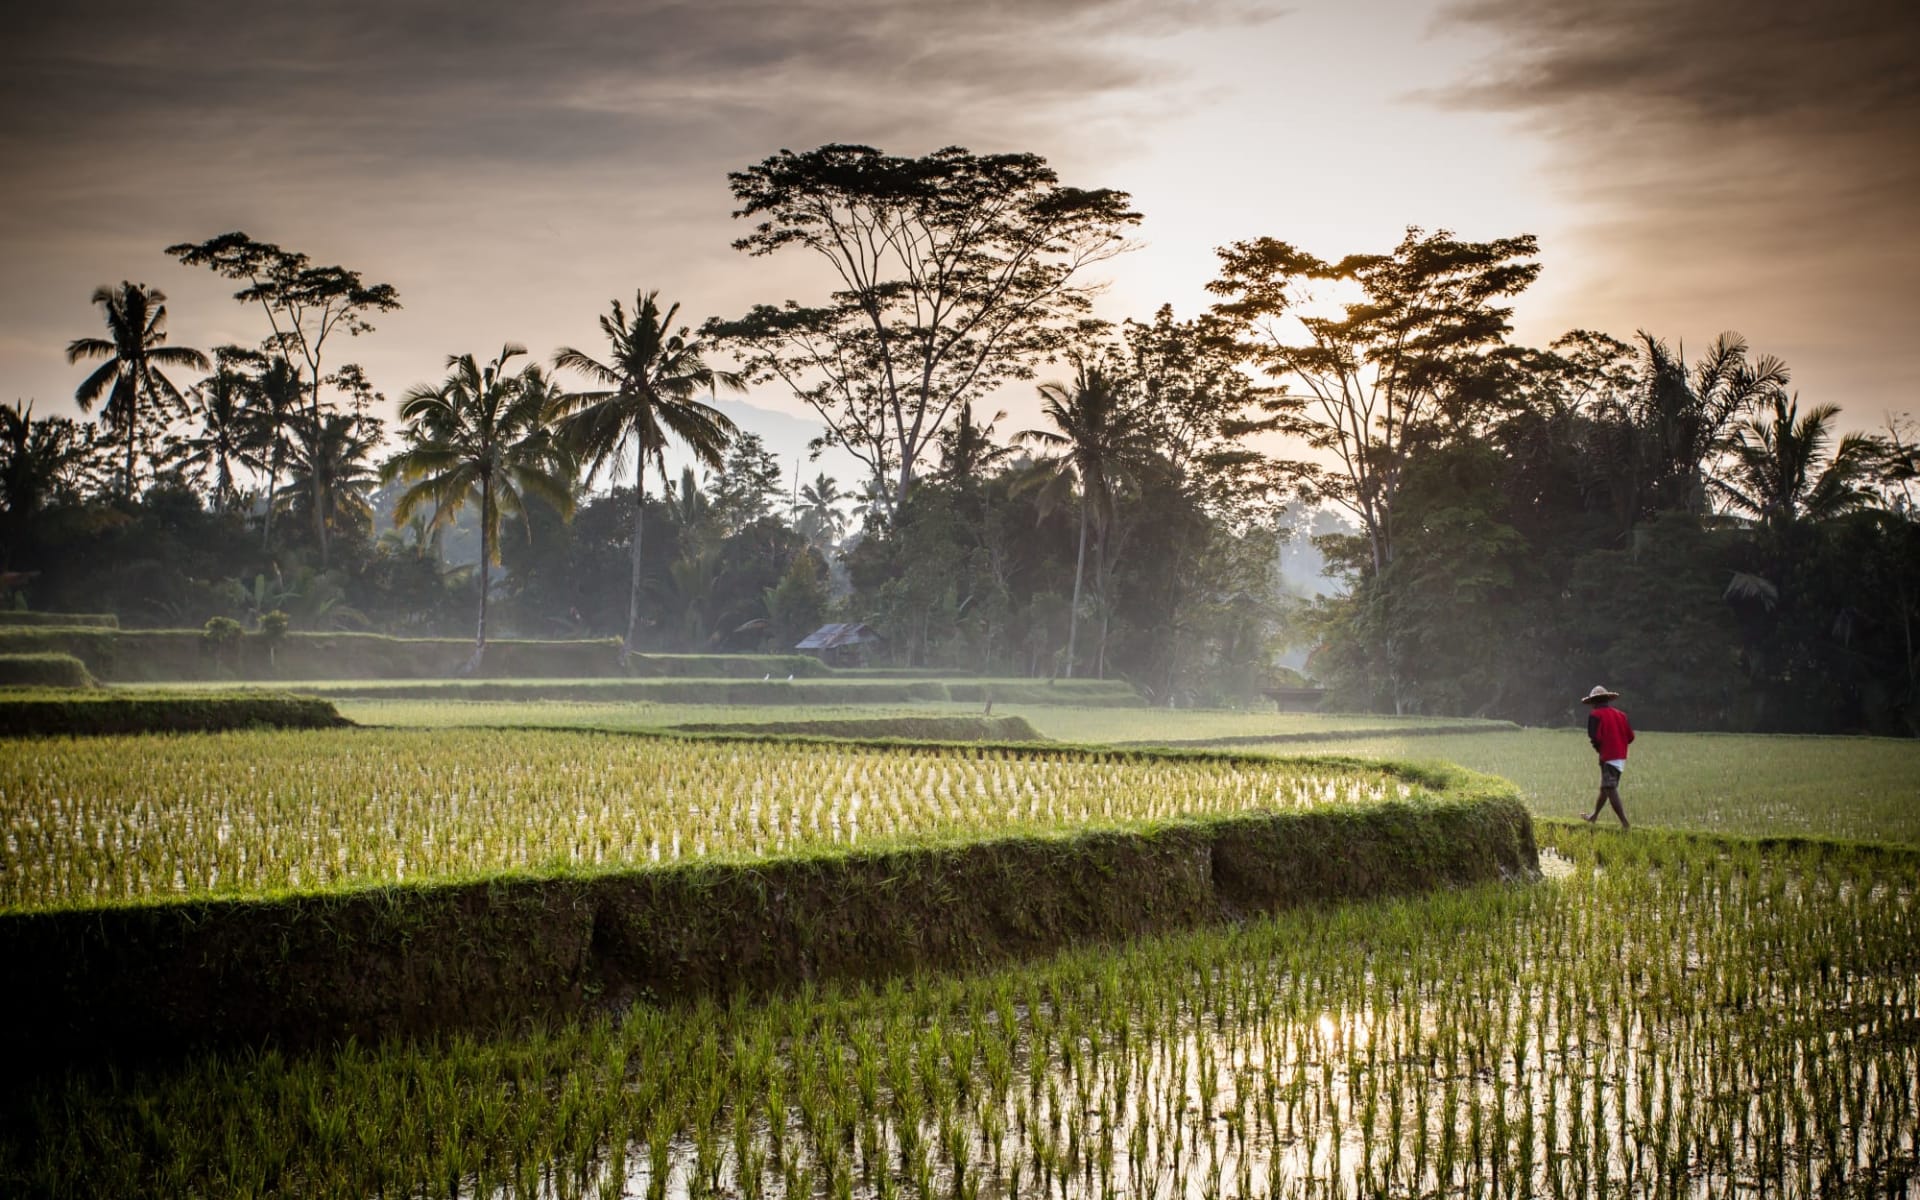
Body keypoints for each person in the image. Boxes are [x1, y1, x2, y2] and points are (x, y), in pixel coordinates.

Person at [1580, 685, 1634, 828]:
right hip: (1621, 757)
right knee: (1605, 788)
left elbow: (1594, 737)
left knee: (1609, 788)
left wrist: (1601, 749)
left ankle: (1625, 822)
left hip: (1609, 756)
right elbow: (1630, 737)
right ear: (1607, 700)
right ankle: (1594, 816)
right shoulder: (1621, 715)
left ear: (1594, 702)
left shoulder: (1595, 715)